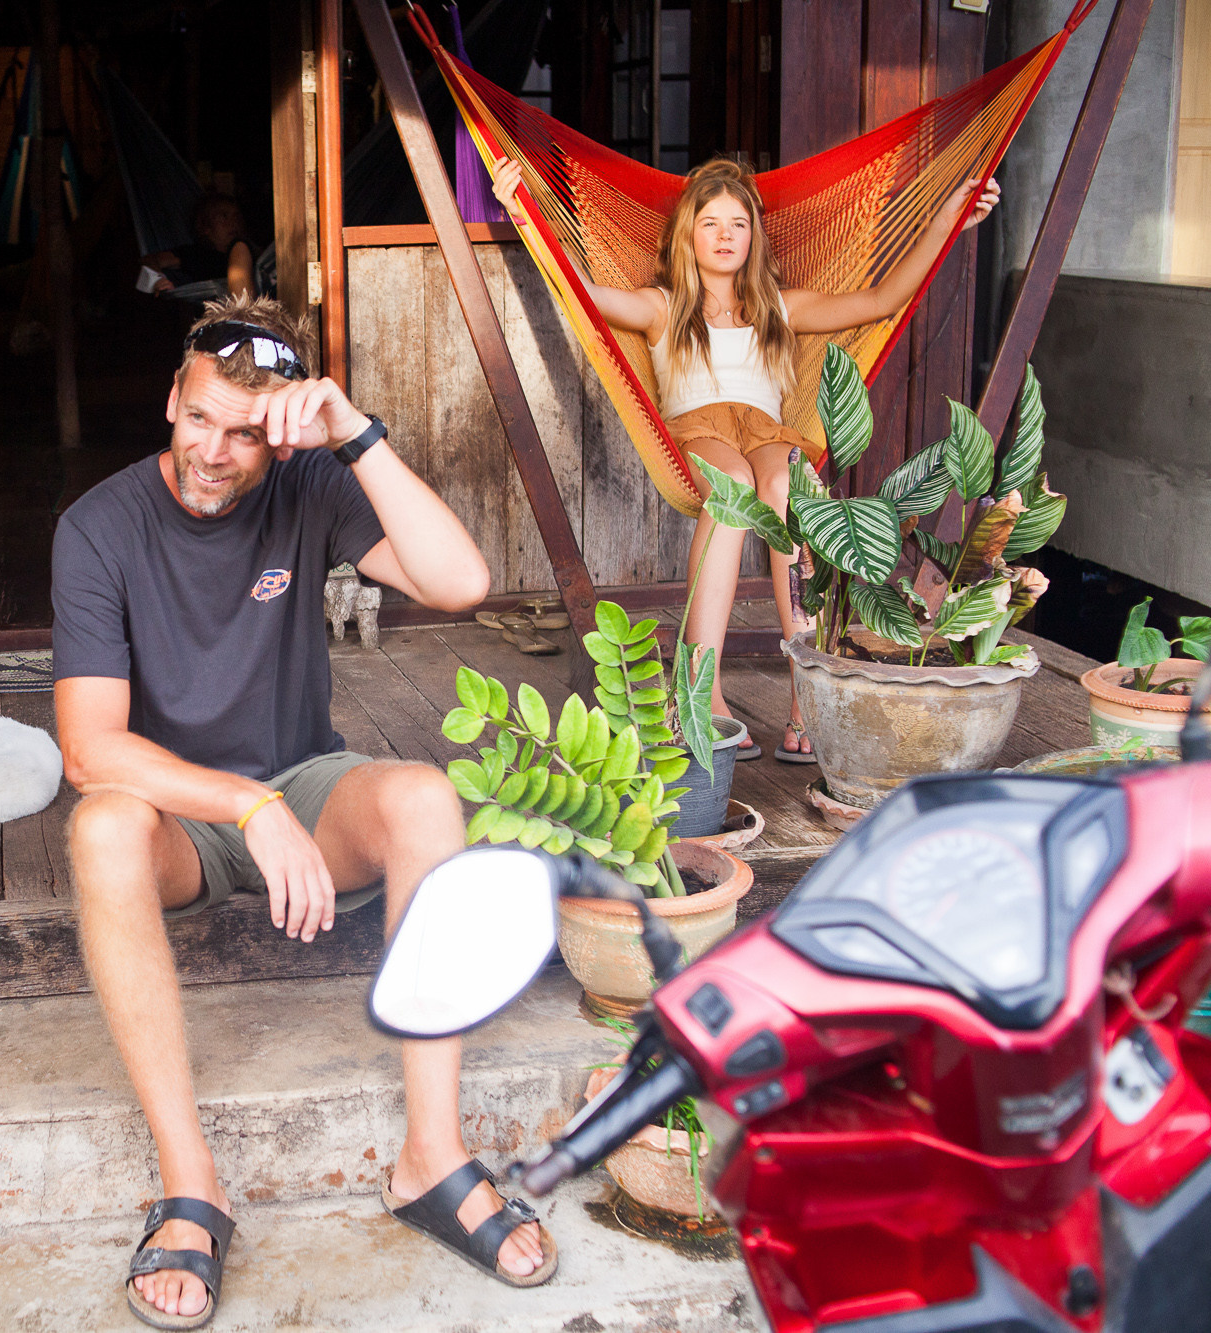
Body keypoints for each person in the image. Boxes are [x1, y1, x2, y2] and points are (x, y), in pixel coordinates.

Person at [52, 295, 552, 1330]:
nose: (213, 451)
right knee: (97, 822)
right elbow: (89, 749)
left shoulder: (309, 484)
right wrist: (241, 807)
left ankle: (430, 1154)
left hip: (304, 786)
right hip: (181, 820)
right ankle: (191, 1182)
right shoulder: (97, 526)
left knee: (423, 797)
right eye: (198, 419)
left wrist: (355, 436)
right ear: (170, 402)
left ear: (278, 436)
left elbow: (461, 581)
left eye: (245, 432)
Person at [493, 156, 999, 761]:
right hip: (698, 431)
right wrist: (524, 213)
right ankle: (703, 693)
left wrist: (948, 220)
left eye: (738, 223)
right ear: (686, 236)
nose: (726, 234)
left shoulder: (780, 309)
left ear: (754, 237)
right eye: (710, 223)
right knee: (732, 485)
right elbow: (577, 292)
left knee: (785, 488)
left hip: (767, 432)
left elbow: (884, 300)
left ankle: (806, 691)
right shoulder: (661, 306)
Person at [144, 194, 255, 301]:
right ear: (206, 226)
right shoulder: (196, 254)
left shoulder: (249, 250)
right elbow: (150, 260)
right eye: (223, 217)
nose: (233, 223)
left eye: (236, 218)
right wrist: (157, 280)